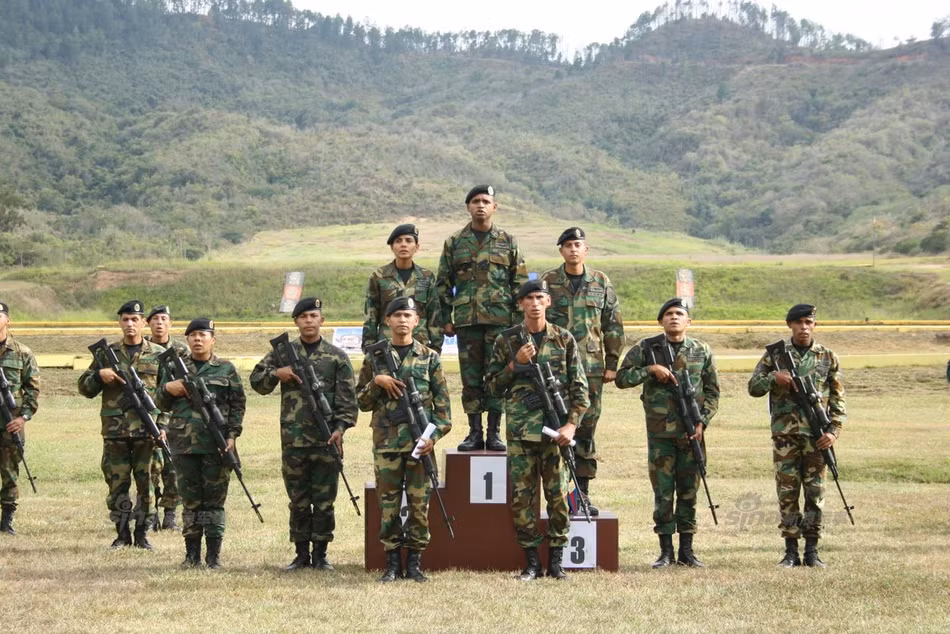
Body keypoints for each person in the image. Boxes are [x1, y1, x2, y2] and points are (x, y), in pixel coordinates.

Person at [485, 280, 589, 581]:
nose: (534, 303)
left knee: (557, 497)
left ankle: (556, 561)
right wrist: (514, 366)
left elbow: (580, 389)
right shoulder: (506, 340)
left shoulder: (564, 339)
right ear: (520, 304)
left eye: (539, 297)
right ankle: (531, 563)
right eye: (528, 298)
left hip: (556, 432)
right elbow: (491, 386)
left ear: (548, 302)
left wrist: (571, 425)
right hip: (521, 433)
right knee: (521, 499)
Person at [250, 297, 357, 571]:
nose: (309, 320)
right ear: (296, 322)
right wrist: (277, 373)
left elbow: (347, 403)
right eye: (303, 316)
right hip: (294, 441)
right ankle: (301, 554)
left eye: (313, 315)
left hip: (326, 440)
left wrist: (340, 430)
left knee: (324, 501)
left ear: (322, 320)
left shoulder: (337, 357)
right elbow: (257, 382)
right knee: (298, 500)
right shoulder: (283, 353)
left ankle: (321, 554)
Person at [615, 298, 719, 568]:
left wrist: (702, 422)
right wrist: (650, 370)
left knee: (689, 491)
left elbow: (712, 392)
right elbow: (621, 379)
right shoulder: (647, 348)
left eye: (679, 314)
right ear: (661, 321)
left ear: (688, 321)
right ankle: (665, 551)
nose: (674, 318)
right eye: (669, 314)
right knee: (663, 493)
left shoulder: (701, 350)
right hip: (660, 432)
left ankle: (687, 550)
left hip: (691, 433)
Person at [357, 297, 451, 583]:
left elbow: (444, 411)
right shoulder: (374, 358)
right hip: (386, 444)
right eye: (396, 315)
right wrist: (377, 382)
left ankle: (414, 563)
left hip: (419, 445)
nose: (401, 320)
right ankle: (392, 563)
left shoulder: (430, 358)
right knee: (388, 506)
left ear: (416, 320)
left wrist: (433, 437)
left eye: (407, 315)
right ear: (387, 321)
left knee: (419, 506)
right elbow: (360, 401)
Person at [748, 304, 846, 568]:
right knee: (788, 493)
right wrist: (773, 379)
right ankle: (791, 551)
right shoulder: (775, 356)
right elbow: (753, 387)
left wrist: (834, 431)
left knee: (815, 494)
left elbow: (838, 399)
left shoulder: (827, 356)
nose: (804, 327)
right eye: (799, 322)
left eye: (809, 322)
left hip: (817, 437)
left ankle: (812, 551)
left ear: (814, 325)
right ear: (789, 325)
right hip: (785, 437)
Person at [436, 185, 527, 452]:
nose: (480, 205)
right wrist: (446, 318)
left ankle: (495, 433)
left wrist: (517, 323)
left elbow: (519, 284)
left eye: (486, 201)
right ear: (468, 207)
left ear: (494, 207)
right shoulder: (455, 242)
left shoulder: (508, 241)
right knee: (471, 379)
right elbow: (443, 283)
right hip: (467, 322)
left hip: (501, 323)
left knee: (498, 375)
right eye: (475, 201)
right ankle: (474, 432)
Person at [540, 227, 624, 515]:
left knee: (585, 430)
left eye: (578, 244)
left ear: (585, 250)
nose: (573, 249)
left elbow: (613, 324)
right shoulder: (548, 282)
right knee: (556, 429)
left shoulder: (601, 282)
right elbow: (536, 321)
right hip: (555, 369)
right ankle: (560, 494)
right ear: (561, 250)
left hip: (591, 370)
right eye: (568, 245)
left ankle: (581, 496)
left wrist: (612, 363)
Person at [157, 318, 246, 569]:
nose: (198, 339)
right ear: (187, 340)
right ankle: (192, 555)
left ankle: (213, 556)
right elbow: (159, 402)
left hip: (217, 445)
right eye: (193, 335)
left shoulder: (226, 369)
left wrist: (232, 435)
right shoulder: (174, 368)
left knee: (214, 502)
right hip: (184, 444)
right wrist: (168, 388)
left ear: (213, 339)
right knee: (191, 501)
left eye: (203, 334)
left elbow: (238, 404)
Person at [79, 300, 164, 549]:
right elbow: (85, 388)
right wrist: (98, 375)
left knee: (147, 483)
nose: (130, 324)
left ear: (143, 323)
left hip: (147, 431)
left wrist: (164, 427)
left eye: (135, 319)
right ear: (120, 322)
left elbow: (169, 395)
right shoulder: (107, 354)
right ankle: (122, 533)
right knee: (117, 484)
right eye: (125, 319)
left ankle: (142, 533)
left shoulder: (158, 355)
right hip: (115, 431)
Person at [362, 223, 443, 353]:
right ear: (392, 247)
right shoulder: (379, 277)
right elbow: (371, 315)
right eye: (398, 241)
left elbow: (434, 313)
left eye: (409, 240)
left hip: (420, 346)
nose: (403, 245)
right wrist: (369, 346)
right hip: (387, 345)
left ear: (417, 247)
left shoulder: (426, 277)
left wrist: (436, 346)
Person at [145, 305, 189, 531]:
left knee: (173, 468)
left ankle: (170, 513)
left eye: (164, 319)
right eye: (155, 319)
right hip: (148, 417)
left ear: (170, 324)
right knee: (151, 467)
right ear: (148, 323)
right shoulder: (142, 349)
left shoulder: (182, 351)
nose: (159, 323)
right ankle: (150, 514)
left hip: (175, 419)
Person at [0, 301, 40, 536]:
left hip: (11, 422)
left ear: (8, 320)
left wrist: (24, 416)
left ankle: (7, 519)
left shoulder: (23, 352)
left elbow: (33, 389)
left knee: (10, 470)